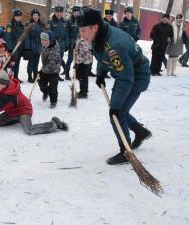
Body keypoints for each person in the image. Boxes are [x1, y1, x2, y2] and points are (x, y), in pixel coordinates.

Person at [77, 7, 152, 165]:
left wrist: (115, 106)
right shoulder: (100, 35)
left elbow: (126, 78)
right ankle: (141, 131)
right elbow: (102, 56)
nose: (81, 35)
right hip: (125, 73)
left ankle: (125, 152)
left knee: (116, 114)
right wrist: (100, 73)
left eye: (83, 31)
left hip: (136, 76)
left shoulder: (115, 45)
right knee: (120, 111)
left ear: (94, 27)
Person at [0, 70, 68, 134]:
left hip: (23, 110)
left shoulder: (8, 95)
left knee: (29, 130)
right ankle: (18, 119)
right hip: (12, 111)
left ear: (3, 85)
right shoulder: (5, 87)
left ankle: (54, 124)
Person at [38, 31, 60, 109]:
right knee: (41, 83)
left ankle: (53, 101)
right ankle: (46, 92)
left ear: (50, 40)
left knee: (53, 87)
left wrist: (42, 71)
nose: (43, 42)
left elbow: (52, 64)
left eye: (45, 40)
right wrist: (42, 69)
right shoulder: (44, 46)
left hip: (54, 71)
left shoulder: (54, 49)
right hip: (45, 68)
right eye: (42, 40)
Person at [47, 5, 69, 81]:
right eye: (57, 12)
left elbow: (66, 34)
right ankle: (52, 75)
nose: (59, 14)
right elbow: (49, 33)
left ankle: (57, 74)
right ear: (55, 12)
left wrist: (66, 44)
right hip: (54, 43)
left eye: (60, 12)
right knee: (54, 60)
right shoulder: (50, 22)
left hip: (62, 43)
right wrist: (51, 43)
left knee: (59, 60)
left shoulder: (64, 22)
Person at [25, 9, 45, 83]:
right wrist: (27, 48)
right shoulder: (28, 24)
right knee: (31, 62)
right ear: (32, 16)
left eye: (37, 15)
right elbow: (26, 36)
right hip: (31, 44)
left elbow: (44, 35)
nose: (35, 17)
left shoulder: (42, 24)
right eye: (34, 15)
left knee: (36, 62)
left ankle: (35, 75)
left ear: (39, 16)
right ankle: (29, 76)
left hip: (39, 45)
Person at [5, 9, 24, 82]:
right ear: (14, 17)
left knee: (17, 63)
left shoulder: (21, 25)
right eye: (17, 16)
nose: (18, 17)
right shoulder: (10, 25)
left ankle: (16, 77)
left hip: (19, 46)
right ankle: (10, 78)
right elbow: (8, 37)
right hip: (13, 47)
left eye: (20, 16)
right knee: (11, 63)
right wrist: (10, 48)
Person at [65, 6, 81, 80]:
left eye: (77, 13)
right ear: (73, 13)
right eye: (75, 13)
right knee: (70, 59)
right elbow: (67, 33)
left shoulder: (82, 21)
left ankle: (76, 74)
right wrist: (69, 43)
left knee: (78, 60)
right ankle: (67, 74)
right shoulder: (69, 21)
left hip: (80, 43)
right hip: (72, 42)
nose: (76, 14)